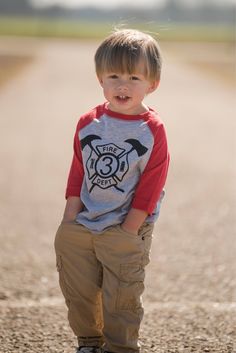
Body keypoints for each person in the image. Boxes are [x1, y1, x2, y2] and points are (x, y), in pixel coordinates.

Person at [54, 28, 170, 353]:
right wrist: (69, 220)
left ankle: (120, 347)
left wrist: (130, 229)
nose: (123, 85)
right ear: (100, 79)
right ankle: (89, 341)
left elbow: (153, 182)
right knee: (79, 291)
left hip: (125, 226)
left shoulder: (151, 130)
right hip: (84, 221)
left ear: (152, 83)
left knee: (121, 297)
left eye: (134, 77)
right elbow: (79, 169)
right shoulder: (88, 122)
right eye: (114, 75)